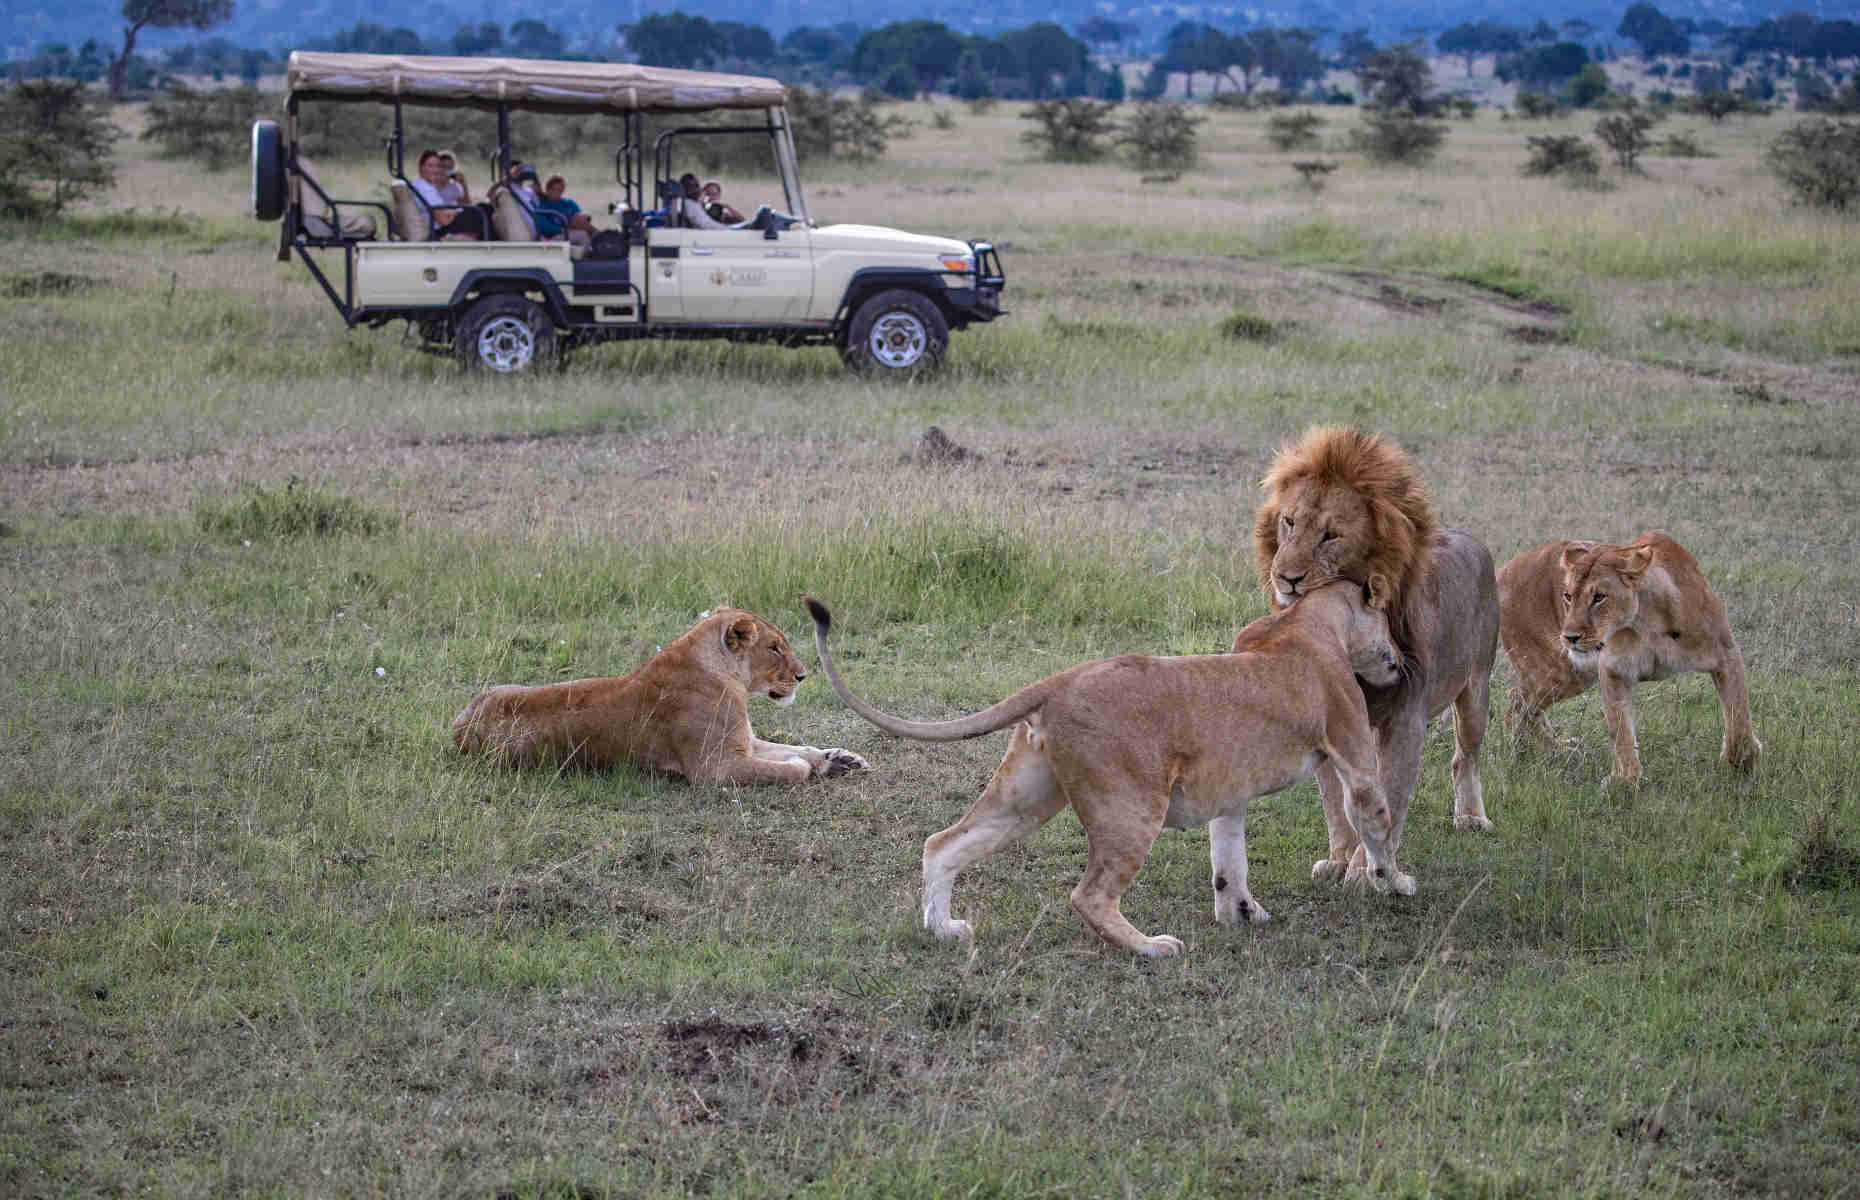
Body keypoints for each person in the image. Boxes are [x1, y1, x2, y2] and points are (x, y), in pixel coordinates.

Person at [411, 148, 486, 239]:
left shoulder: (426, 184)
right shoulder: (424, 187)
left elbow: (461, 203)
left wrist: (462, 184)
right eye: (430, 166)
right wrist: (455, 212)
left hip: (443, 221)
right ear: (421, 167)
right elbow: (443, 220)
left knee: (482, 209)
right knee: (483, 211)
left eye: (437, 166)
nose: (435, 170)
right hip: (439, 229)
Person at [535, 174, 597, 248]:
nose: (557, 193)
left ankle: (600, 238)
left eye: (560, 190)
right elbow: (544, 227)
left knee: (581, 224)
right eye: (554, 189)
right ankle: (591, 253)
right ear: (548, 190)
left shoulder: (568, 203)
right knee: (582, 234)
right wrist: (564, 230)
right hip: (555, 236)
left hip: (573, 229)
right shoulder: (543, 206)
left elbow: (580, 217)